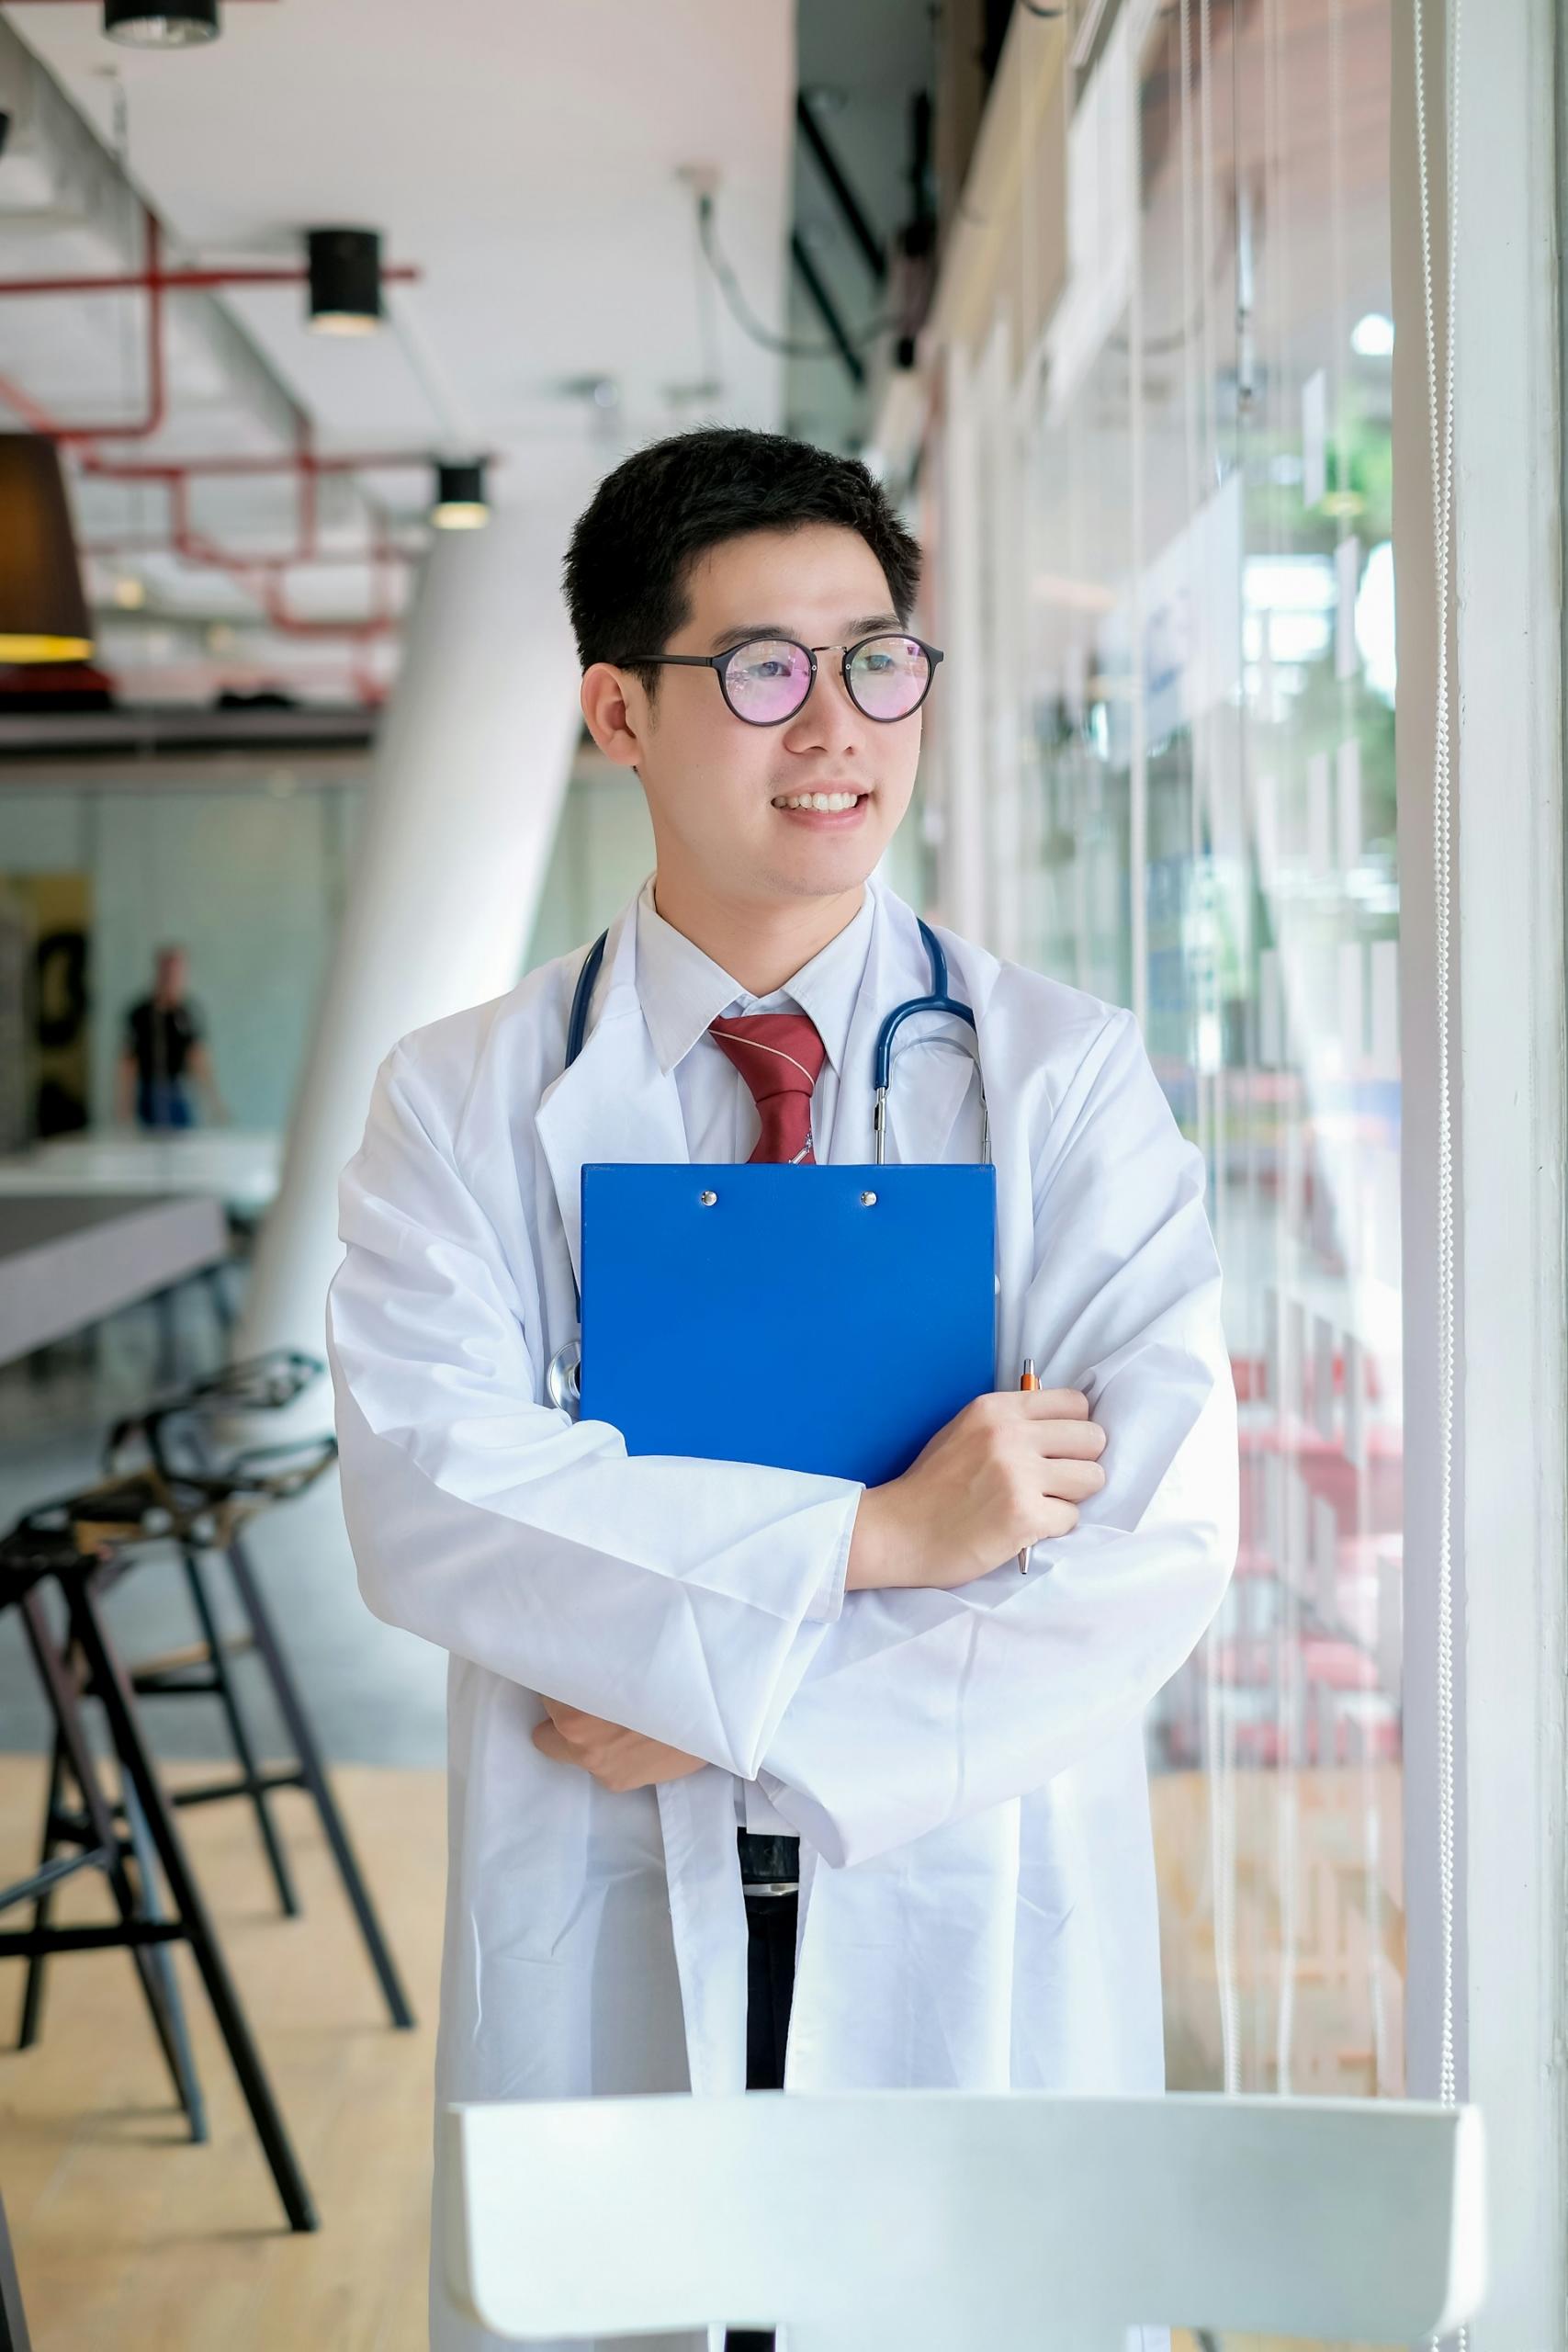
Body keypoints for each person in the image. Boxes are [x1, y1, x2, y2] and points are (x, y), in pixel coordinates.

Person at [326, 425, 1238, 2352]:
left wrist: (723, 1698)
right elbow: (436, 1493)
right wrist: (886, 1536)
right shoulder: (464, 1098)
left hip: (951, 1856)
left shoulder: (1062, 1079)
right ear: (617, 712)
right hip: (596, 1877)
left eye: (874, 660)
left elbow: (1146, 1537)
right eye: (760, 668)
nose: (834, 726)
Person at [115, 944, 222, 1131]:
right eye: (169, 973)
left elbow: (197, 1056)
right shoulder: (141, 1013)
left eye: (178, 974)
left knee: (184, 1136)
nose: (173, 979)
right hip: (150, 1091)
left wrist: (214, 1102)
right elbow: (128, 1061)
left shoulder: (187, 1013)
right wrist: (124, 1105)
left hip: (178, 1090)